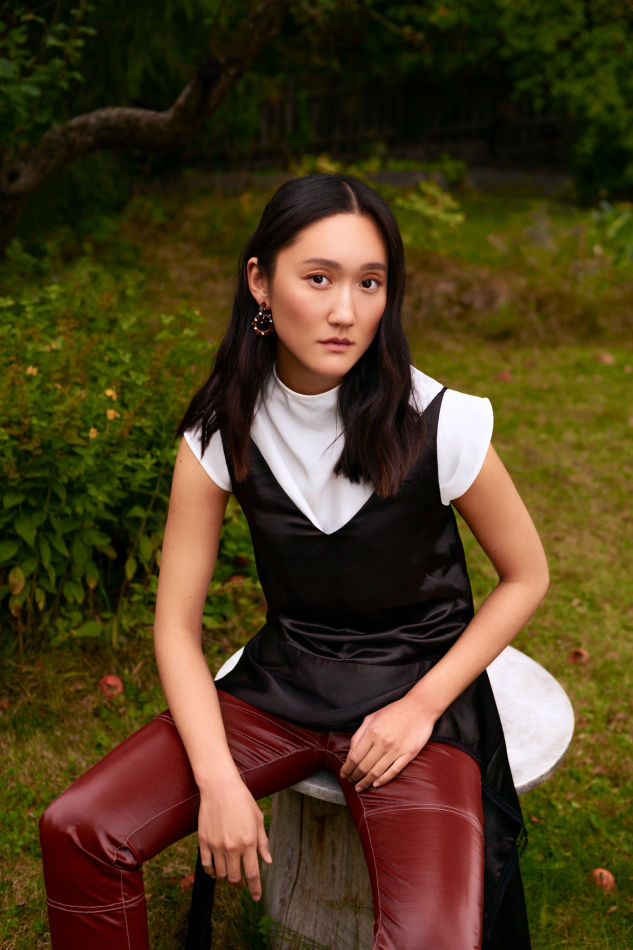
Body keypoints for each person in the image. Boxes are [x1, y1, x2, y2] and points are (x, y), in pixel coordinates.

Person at [40, 174, 549, 950]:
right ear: (260, 283)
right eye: (318, 278)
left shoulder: (439, 422)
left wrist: (421, 707)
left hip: (412, 698)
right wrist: (217, 779)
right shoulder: (221, 429)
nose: (346, 310)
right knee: (79, 828)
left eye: (369, 283)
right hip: (283, 685)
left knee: (433, 937)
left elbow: (526, 575)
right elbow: (175, 628)